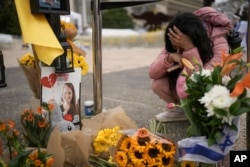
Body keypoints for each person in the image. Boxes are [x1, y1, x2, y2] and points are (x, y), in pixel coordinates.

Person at [148, 7, 232, 122]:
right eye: (174, 46)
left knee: (199, 82)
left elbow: (203, 81)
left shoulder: (218, 43)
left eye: (181, 46)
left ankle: (206, 113)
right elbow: (152, 73)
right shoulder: (177, 36)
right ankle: (181, 110)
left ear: (196, 39)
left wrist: (189, 50)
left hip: (212, 92)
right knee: (157, 84)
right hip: (187, 84)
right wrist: (170, 57)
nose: (177, 49)